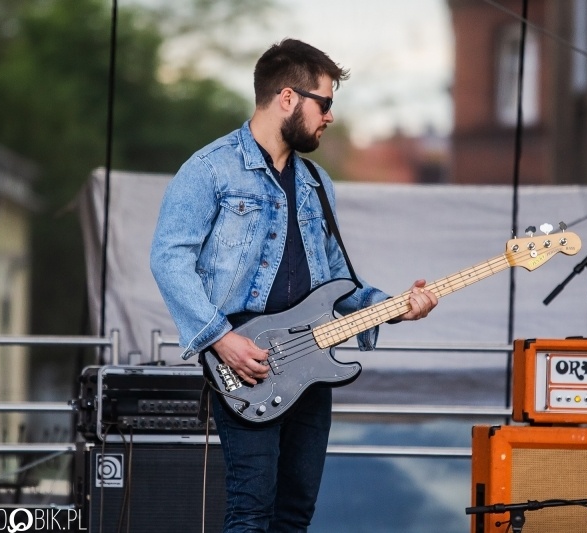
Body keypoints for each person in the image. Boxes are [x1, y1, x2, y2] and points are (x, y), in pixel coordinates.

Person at [150, 38, 437, 533]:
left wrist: (396, 307)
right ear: (288, 98)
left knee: (295, 513)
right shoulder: (211, 169)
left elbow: (336, 281)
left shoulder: (317, 182)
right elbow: (168, 258)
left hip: (311, 362)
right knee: (250, 510)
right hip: (246, 358)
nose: (329, 117)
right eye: (324, 103)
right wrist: (220, 338)